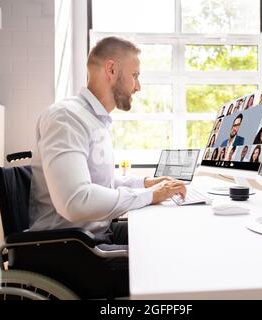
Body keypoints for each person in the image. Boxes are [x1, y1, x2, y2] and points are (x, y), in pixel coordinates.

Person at [28, 37, 186, 296]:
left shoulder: (92, 119)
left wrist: (147, 184)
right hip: (70, 250)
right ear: (111, 70)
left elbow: (101, 184)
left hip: (92, 238)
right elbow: (77, 200)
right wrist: (148, 196)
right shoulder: (66, 117)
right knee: (170, 266)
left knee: (169, 238)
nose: (138, 86)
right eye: (134, 75)